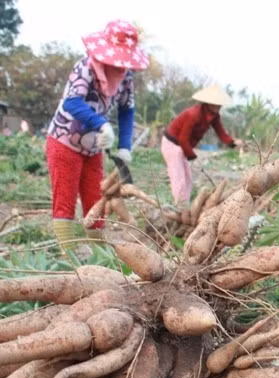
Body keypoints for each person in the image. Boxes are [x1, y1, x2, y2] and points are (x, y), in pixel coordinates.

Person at [45, 20, 149, 248]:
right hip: (64, 143)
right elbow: (72, 102)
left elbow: (127, 110)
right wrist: (101, 123)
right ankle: (69, 260)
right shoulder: (85, 68)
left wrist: (125, 146)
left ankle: (100, 256)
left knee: (97, 200)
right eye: (118, 60)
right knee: (66, 201)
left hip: (93, 148)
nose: (122, 66)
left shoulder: (126, 76)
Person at [161, 84, 242, 206]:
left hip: (182, 148)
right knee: (179, 178)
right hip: (172, 145)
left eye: (219, 104)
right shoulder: (193, 114)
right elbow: (183, 138)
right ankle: (180, 207)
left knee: (188, 179)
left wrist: (232, 142)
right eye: (214, 103)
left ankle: (185, 206)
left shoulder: (214, 117)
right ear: (208, 103)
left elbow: (221, 132)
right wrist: (191, 155)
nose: (217, 106)